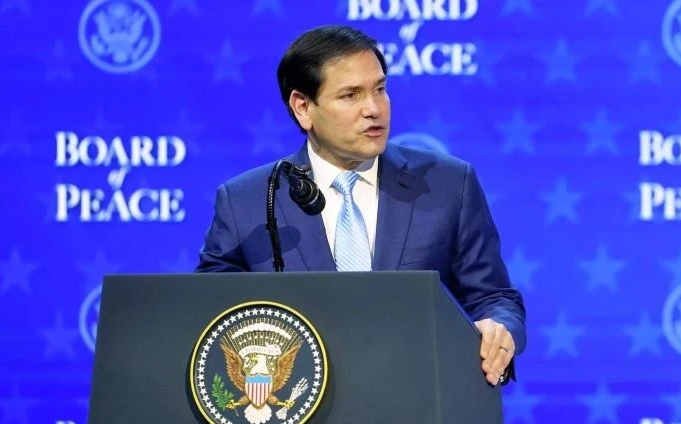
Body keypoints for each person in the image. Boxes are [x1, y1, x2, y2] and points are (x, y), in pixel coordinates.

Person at [195, 25, 526, 387]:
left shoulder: (447, 184)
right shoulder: (248, 201)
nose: (373, 109)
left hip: (419, 401)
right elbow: (208, 317)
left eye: (380, 89)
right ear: (303, 107)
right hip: (294, 406)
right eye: (351, 95)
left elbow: (494, 297)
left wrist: (499, 328)